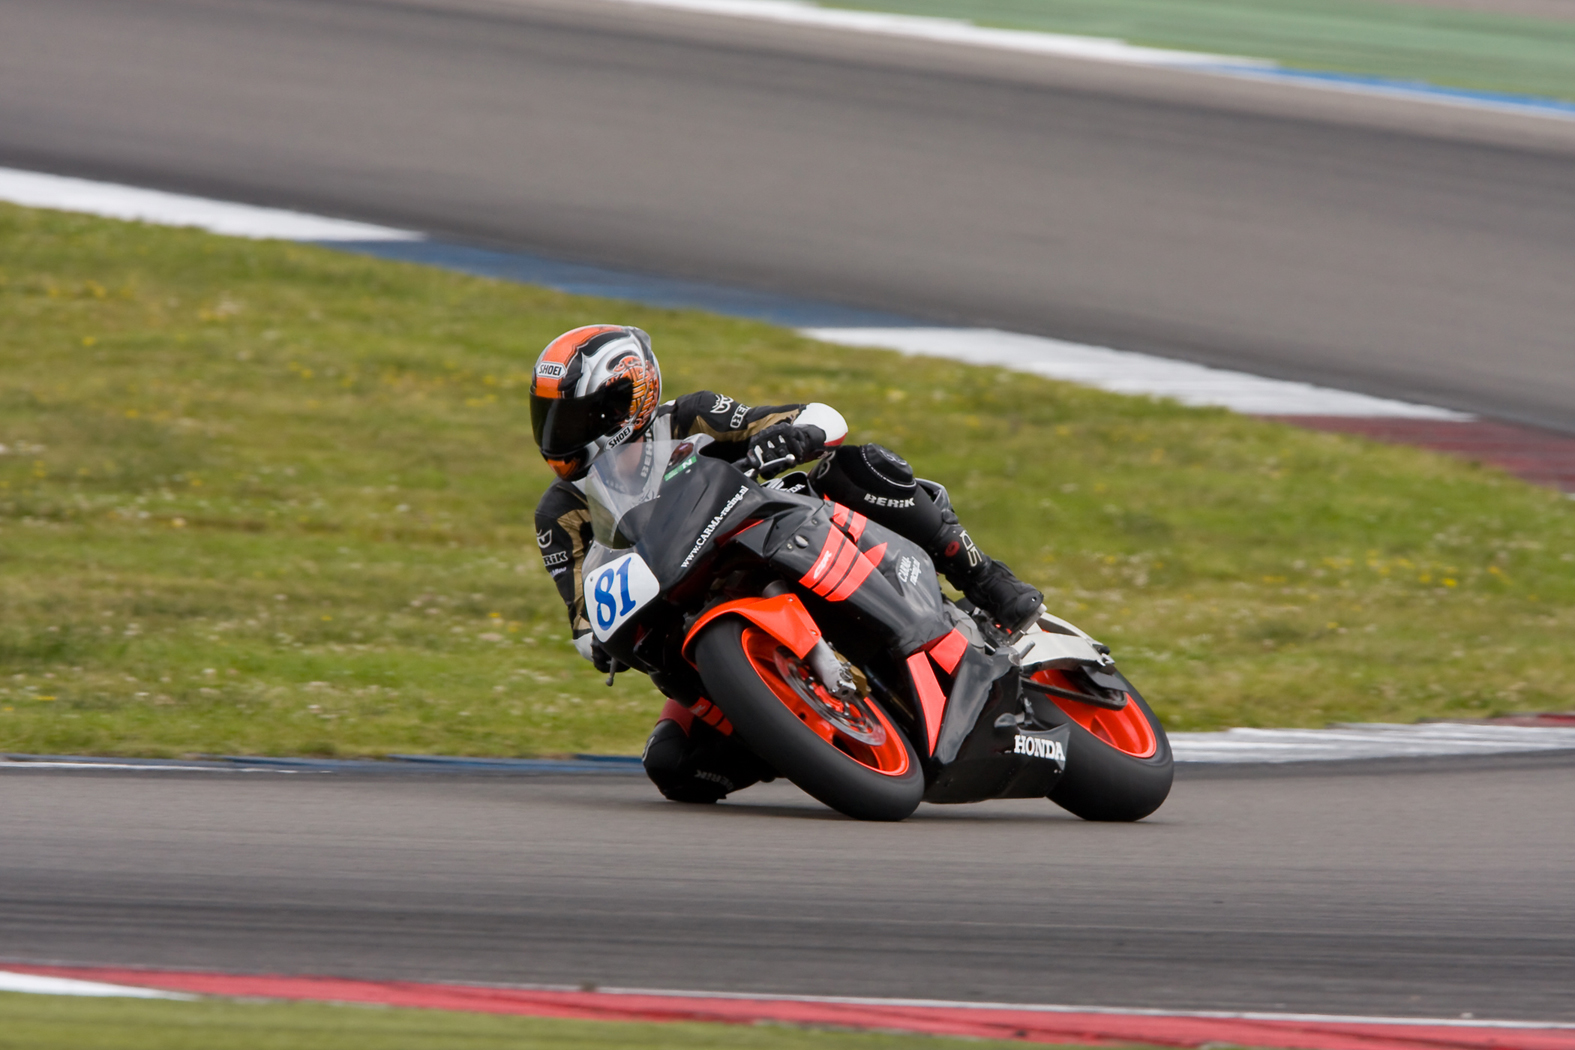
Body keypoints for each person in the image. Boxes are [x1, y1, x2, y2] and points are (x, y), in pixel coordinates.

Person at [531, 324, 1042, 803]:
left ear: (628, 399)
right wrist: (598, 641)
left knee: (858, 466)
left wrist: (793, 435)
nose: (558, 433)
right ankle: (791, 732)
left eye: (572, 416)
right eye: (547, 416)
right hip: (686, 614)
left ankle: (984, 577)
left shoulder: (691, 417)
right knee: (674, 765)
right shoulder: (559, 513)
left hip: (775, 535)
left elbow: (822, 417)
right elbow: (582, 612)